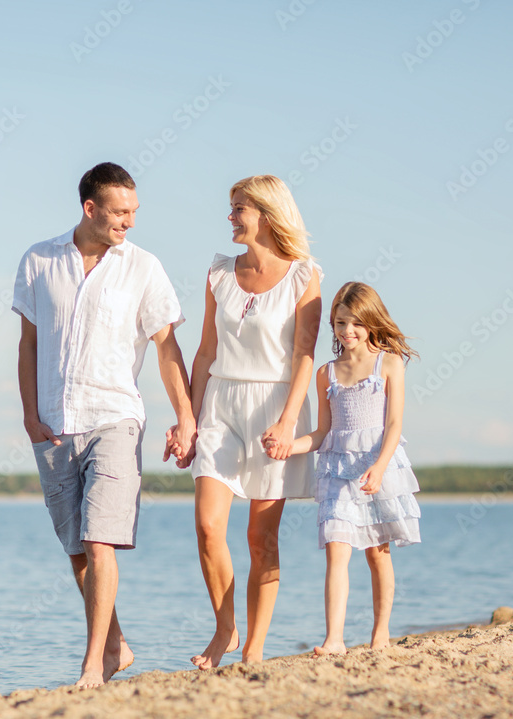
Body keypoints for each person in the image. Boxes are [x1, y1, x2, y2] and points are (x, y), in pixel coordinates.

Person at [12, 162, 195, 689]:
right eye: (120, 212)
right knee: (77, 549)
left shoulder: (144, 267)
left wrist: (185, 417)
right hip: (53, 423)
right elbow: (27, 345)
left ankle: (93, 665)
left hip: (116, 417)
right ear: (89, 209)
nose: (129, 223)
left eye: (134, 212)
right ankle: (116, 644)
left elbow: (167, 349)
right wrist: (29, 415)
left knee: (101, 541)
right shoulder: (39, 260)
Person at [177, 175, 322, 669]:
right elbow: (204, 353)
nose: (231, 216)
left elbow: (305, 356)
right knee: (207, 526)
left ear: (266, 212)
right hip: (220, 400)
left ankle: (255, 649)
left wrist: (287, 424)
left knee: (261, 538)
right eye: (232, 206)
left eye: (239, 207)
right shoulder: (218, 272)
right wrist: (189, 422)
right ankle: (225, 629)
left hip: (274, 407)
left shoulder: (305, 276)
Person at [270, 281, 421, 655]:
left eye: (355, 323)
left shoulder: (388, 363)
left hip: (377, 467)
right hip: (337, 469)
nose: (347, 331)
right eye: (339, 323)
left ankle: (380, 632)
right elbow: (322, 433)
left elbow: (394, 425)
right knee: (337, 548)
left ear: (371, 322)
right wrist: (290, 446)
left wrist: (380, 467)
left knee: (376, 552)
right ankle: (334, 639)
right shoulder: (327, 373)